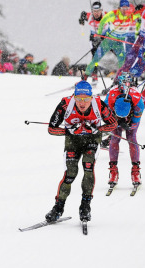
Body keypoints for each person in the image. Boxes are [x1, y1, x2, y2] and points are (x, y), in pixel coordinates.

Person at [45, 81, 118, 223]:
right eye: (79, 99)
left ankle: (85, 206)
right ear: (74, 97)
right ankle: (58, 208)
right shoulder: (65, 104)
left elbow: (113, 124)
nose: (82, 103)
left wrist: (97, 129)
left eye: (86, 99)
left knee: (88, 168)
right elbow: (51, 128)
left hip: (92, 140)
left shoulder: (99, 104)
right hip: (73, 141)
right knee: (70, 174)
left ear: (91, 97)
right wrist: (69, 130)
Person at [104, 72, 145, 186]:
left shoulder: (138, 102)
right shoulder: (110, 98)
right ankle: (113, 170)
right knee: (114, 139)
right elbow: (105, 115)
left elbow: (136, 120)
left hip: (132, 118)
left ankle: (136, 170)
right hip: (114, 117)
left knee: (131, 138)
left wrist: (130, 124)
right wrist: (115, 122)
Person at [83, 0, 140, 80]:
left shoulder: (131, 16)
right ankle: (85, 77)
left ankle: (121, 79)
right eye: (122, 8)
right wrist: (99, 35)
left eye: (126, 9)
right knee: (95, 58)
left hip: (119, 43)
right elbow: (102, 21)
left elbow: (141, 16)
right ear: (119, 8)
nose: (124, 11)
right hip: (108, 41)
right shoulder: (114, 15)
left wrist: (138, 30)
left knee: (122, 60)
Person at [79, 1, 107, 83]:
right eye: (94, 11)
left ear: (101, 10)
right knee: (95, 57)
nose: (96, 13)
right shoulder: (89, 16)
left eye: (98, 11)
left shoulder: (106, 15)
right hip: (93, 39)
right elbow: (82, 17)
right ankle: (93, 76)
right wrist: (81, 19)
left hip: (105, 38)